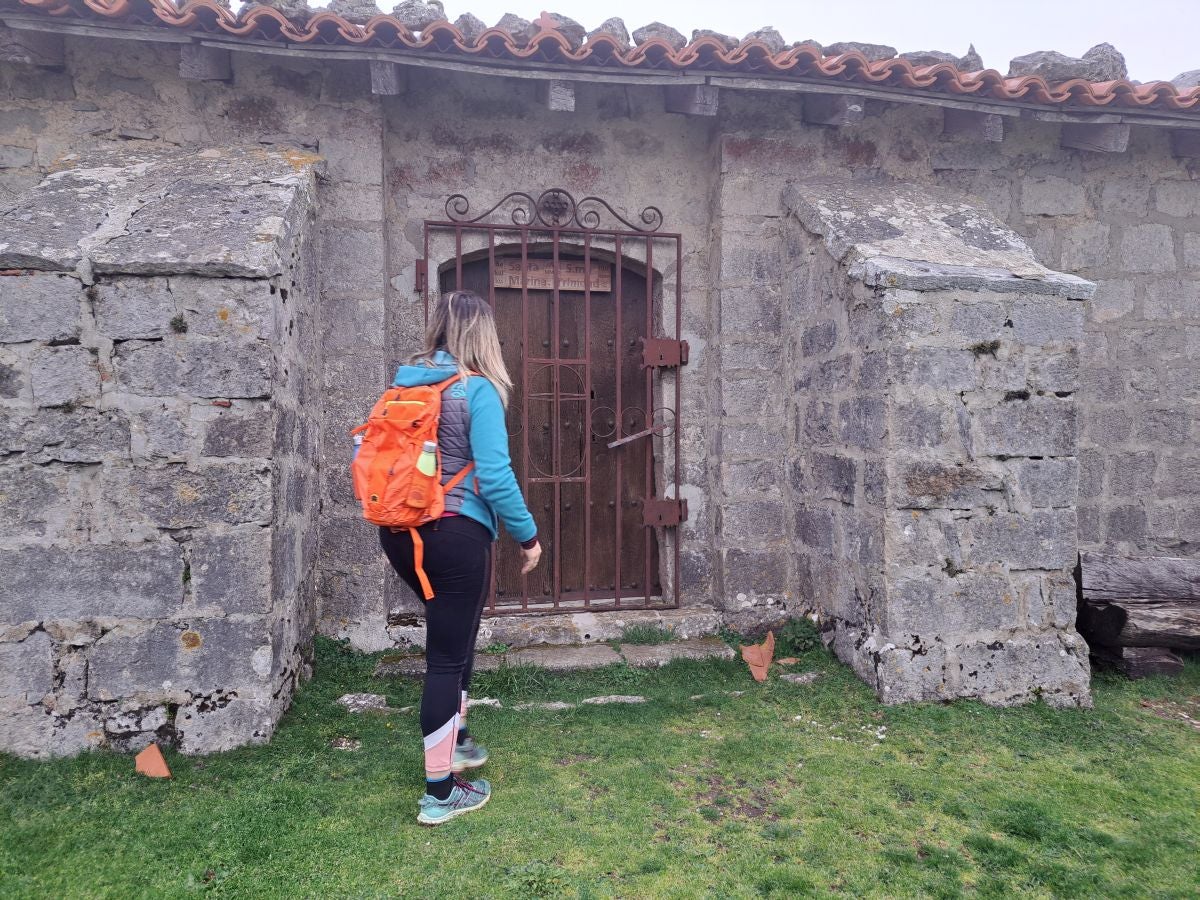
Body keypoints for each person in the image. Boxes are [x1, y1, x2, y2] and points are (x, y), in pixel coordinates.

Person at [379, 290, 542, 826]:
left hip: (402, 533)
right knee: (446, 658)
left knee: (457, 633)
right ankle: (441, 792)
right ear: (484, 337)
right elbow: (495, 476)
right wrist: (527, 535)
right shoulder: (478, 391)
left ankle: (462, 737)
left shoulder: (404, 386)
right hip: (454, 534)